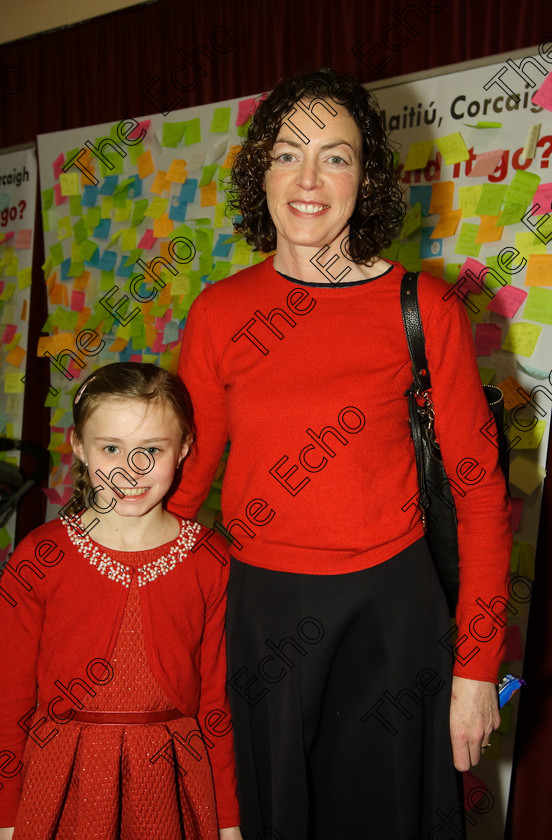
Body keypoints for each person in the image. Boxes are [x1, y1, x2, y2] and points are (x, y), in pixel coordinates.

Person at [167, 69, 512, 840]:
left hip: (394, 617)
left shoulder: (427, 308)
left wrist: (478, 665)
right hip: (261, 617)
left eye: (337, 156)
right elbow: (181, 494)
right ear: (261, 172)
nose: (310, 179)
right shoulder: (220, 313)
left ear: (369, 175)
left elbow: (481, 495)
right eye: (289, 154)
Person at [0, 362, 242, 840]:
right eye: (112, 448)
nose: (132, 469)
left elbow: (217, 702)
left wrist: (228, 820)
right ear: (80, 448)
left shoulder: (210, 559)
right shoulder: (40, 556)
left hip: (171, 782)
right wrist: (3, 817)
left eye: (152, 449)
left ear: (185, 447)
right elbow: (8, 700)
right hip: (61, 781)